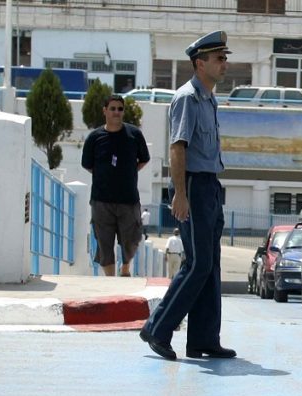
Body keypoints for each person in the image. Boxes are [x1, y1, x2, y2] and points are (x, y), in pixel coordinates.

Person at [139, 30, 236, 361]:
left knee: (211, 265)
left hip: (209, 184)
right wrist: (180, 194)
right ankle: (157, 328)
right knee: (197, 263)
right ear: (199, 63)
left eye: (224, 58)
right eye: (219, 59)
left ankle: (203, 340)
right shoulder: (187, 98)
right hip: (192, 185)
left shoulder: (209, 99)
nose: (224, 64)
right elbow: (177, 148)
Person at [81, 95, 151, 277]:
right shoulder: (95, 137)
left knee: (131, 240)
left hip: (128, 199)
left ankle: (125, 268)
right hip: (101, 200)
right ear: (105, 111)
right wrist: (104, 175)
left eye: (120, 109)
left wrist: (130, 171)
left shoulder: (134, 134)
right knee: (104, 243)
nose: (116, 112)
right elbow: (87, 164)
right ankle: (110, 280)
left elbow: (144, 158)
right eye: (112, 108)